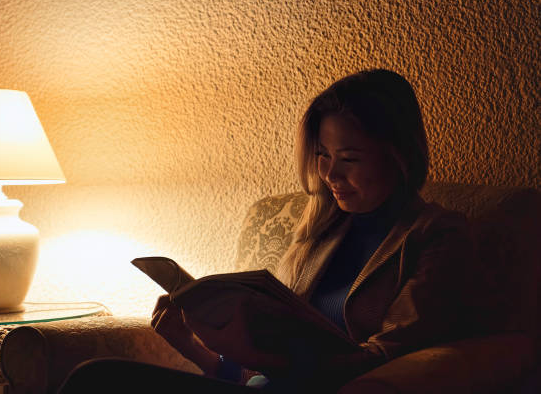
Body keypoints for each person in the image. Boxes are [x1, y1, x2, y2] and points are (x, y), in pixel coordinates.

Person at [58, 69, 477, 393]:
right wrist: (189, 342)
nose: (329, 173)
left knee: (97, 380)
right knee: (94, 377)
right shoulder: (321, 230)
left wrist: (293, 364)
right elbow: (254, 374)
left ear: (398, 155)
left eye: (349, 158)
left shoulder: (437, 236)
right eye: (322, 155)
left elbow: (391, 355)